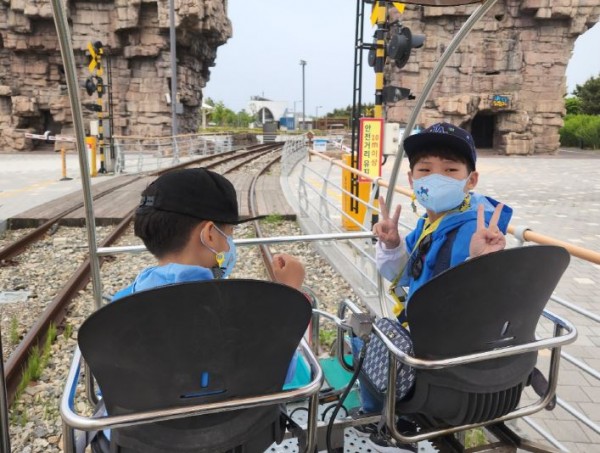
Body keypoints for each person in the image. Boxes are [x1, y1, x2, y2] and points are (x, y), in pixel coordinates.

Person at [354, 122, 512, 452]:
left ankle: (382, 421)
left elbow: (475, 297)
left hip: (439, 357)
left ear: (471, 180)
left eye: (450, 169)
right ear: (412, 180)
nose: (435, 178)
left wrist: (479, 262)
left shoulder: (472, 229)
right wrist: (394, 243)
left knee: (363, 338)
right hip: (437, 341)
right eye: (425, 169)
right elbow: (403, 273)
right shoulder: (434, 221)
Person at [112, 167, 306, 383]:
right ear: (210, 235)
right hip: (238, 418)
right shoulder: (239, 311)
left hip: (150, 417)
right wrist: (289, 294)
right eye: (229, 234)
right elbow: (283, 373)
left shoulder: (118, 306)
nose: (229, 244)